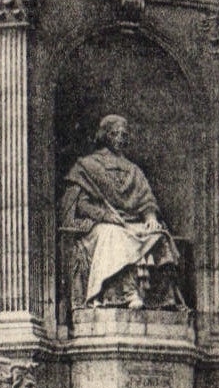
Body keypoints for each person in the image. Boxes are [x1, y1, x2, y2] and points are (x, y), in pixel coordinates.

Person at [60, 114, 181, 308]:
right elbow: (81, 204)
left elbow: (146, 200)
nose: (120, 138)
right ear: (105, 135)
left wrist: (150, 217)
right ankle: (123, 294)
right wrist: (105, 215)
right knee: (113, 234)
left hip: (130, 223)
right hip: (99, 226)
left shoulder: (133, 170)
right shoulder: (87, 165)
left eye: (124, 135)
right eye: (115, 133)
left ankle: (159, 299)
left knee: (158, 235)